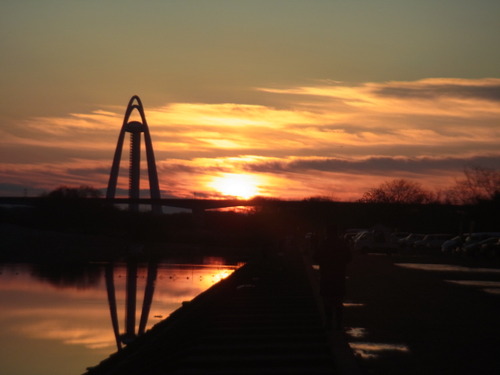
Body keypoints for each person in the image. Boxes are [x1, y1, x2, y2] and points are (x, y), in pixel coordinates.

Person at [316, 224, 352, 330]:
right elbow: (349, 258)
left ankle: (328, 322)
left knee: (327, 301)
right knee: (338, 301)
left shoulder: (323, 244)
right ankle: (338, 324)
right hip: (339, 276)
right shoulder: (342, 244)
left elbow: (316, 257)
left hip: (326, 275)